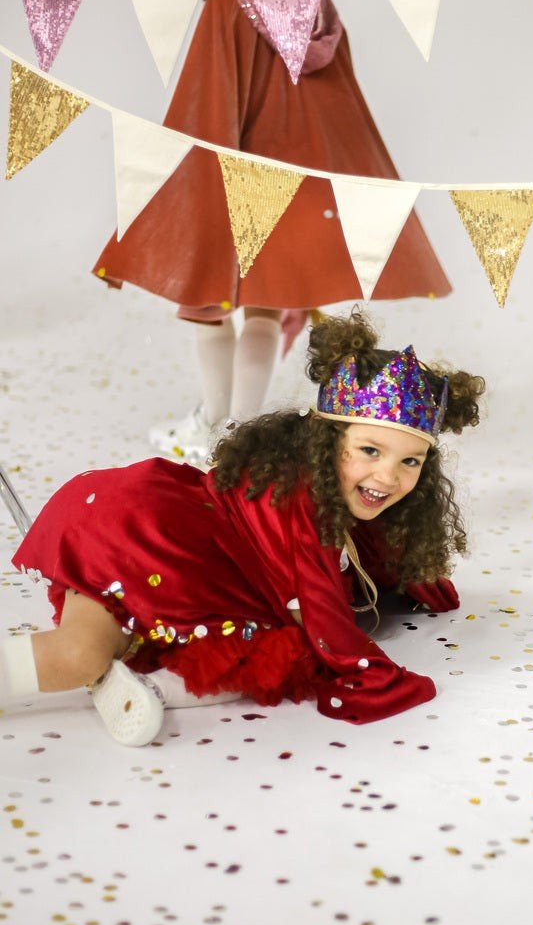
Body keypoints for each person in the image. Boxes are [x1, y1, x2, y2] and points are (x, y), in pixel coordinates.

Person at [93, 0, 451, 464]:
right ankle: (243, 434)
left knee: (208, 305)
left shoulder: (230, 0)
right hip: (303, 177)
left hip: (239, 173)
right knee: (263, 304)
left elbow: (207, 103)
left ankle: (213, 426)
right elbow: (339, 95)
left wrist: (185, 183)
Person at [1, 312, 484, 745]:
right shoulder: (304, 500)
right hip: (148, 535)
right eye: (370, 451)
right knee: (277, 655)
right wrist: (373, 669)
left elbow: (375, 553)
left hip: (163, 546)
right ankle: (124, 668)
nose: (388, 476)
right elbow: (318, 615)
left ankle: (130, 667)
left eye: (411, 461)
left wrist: (418, 579)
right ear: (325, 442)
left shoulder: (342, 495)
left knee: (133, 645)